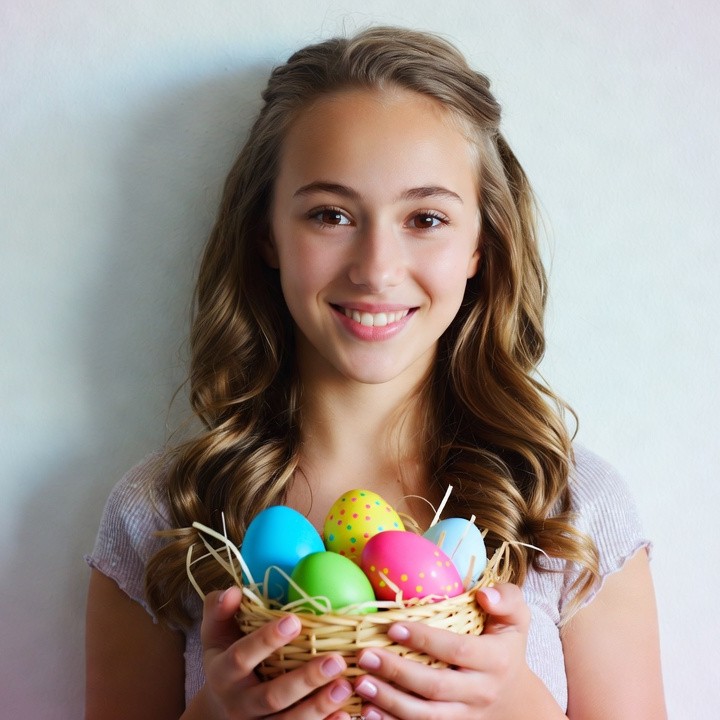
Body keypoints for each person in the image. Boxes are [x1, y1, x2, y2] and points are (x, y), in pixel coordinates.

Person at [84, 26, 666, 720]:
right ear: (267, 234)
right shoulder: (162, 517)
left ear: (481, 244)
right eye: (331, 215)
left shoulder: (569, 510)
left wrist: (516, 704)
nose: (376, 269)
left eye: (426, 218)